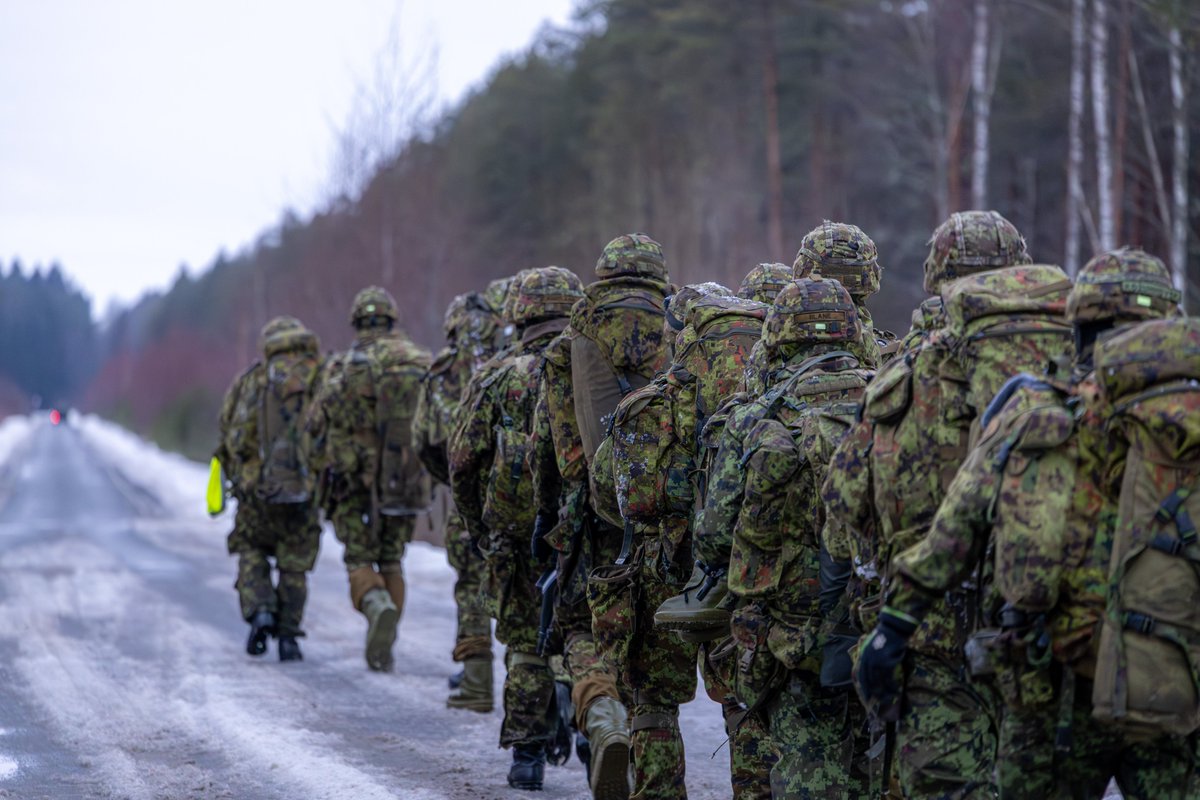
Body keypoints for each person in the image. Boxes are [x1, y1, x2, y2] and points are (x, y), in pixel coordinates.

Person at [857, 248, 1193, 799]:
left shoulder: (1037, 409)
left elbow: (955, 529)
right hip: (1175, 686)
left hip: (1054, 687)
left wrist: (893, 627)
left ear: (1080, 324)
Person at [823, 210, 1049, 797]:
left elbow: (845, 498)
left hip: (933, 626)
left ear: (935, 275)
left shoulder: (909, 368)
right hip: (1055, 625)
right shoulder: (1078, 364)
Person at [450, 266, 586, 791]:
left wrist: (478, 527)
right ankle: (586, 724)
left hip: (512, 534)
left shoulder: (498, 376)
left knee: (527, 644)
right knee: (582, 633)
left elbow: (461, 460)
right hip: (580, 532)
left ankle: (526, 757)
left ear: (520, 315)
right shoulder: (591, 370)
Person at [306, 286, 432, 672]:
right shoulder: (422, 361)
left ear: (358, 323)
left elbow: (316, 423)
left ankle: (377, 608)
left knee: (359, 557)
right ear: (392, 320)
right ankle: (385, 644)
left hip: (353, 483)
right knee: (393, 559)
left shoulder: (344, 366)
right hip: (406, 478)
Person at [413, 290, 503, 710]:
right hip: (525, 491)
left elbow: (424, 439)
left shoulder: (445, 368)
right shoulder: (517, 352)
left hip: (466, 494)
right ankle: (552, 690)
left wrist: (453, 479)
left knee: (471, 585)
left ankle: (477, 681)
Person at [215, 316, 323, 662]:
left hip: (258, 493)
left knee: (251, 549)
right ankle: (289, 637)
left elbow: (232, 433)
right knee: (294, 565)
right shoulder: (320, 377)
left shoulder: (252, 380)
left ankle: (261, 610)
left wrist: (243, 474)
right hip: (303, 494)